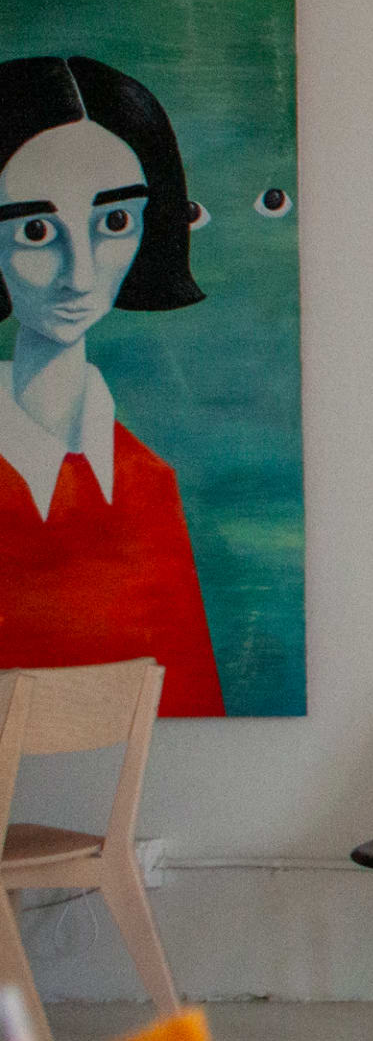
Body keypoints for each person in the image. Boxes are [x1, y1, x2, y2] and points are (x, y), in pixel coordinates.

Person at [0, 55, 223, 715]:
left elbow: (186, 697)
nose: (81, 273)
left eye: (114, 222)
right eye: (37, 230)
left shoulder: (146, 480)